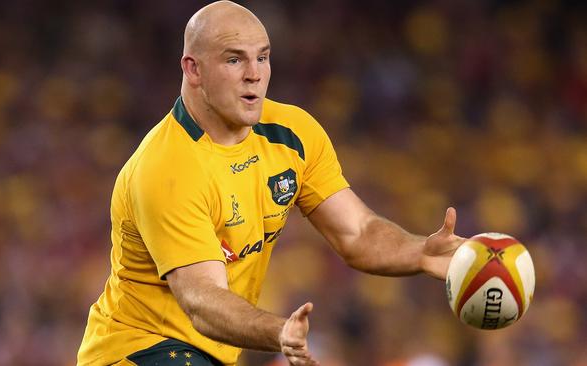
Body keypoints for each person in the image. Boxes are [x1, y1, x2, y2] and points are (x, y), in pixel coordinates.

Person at [77, 1, 464, 365]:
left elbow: (358, 232)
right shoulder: (167, 167)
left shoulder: (293, 134)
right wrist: (278, 331)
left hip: (208, 354)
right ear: (193, 70)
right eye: (234, 59)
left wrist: (420, 253)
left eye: (262, 57)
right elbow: (202, 300)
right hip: (136, 349)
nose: (254, 73)